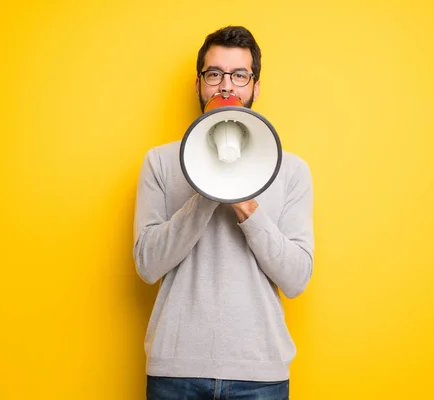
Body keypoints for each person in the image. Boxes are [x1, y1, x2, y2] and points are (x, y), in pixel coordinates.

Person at [133, 25, 314, 400]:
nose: (226, 86)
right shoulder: (160, 162)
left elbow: (296, 279)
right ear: (198, 85)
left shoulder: (292, 169)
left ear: (255, 86)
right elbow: (147, 266)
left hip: (260, 375)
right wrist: (207, 187)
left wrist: (245, 200)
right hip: (175, 372)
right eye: (214, 74)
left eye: (239, 75)